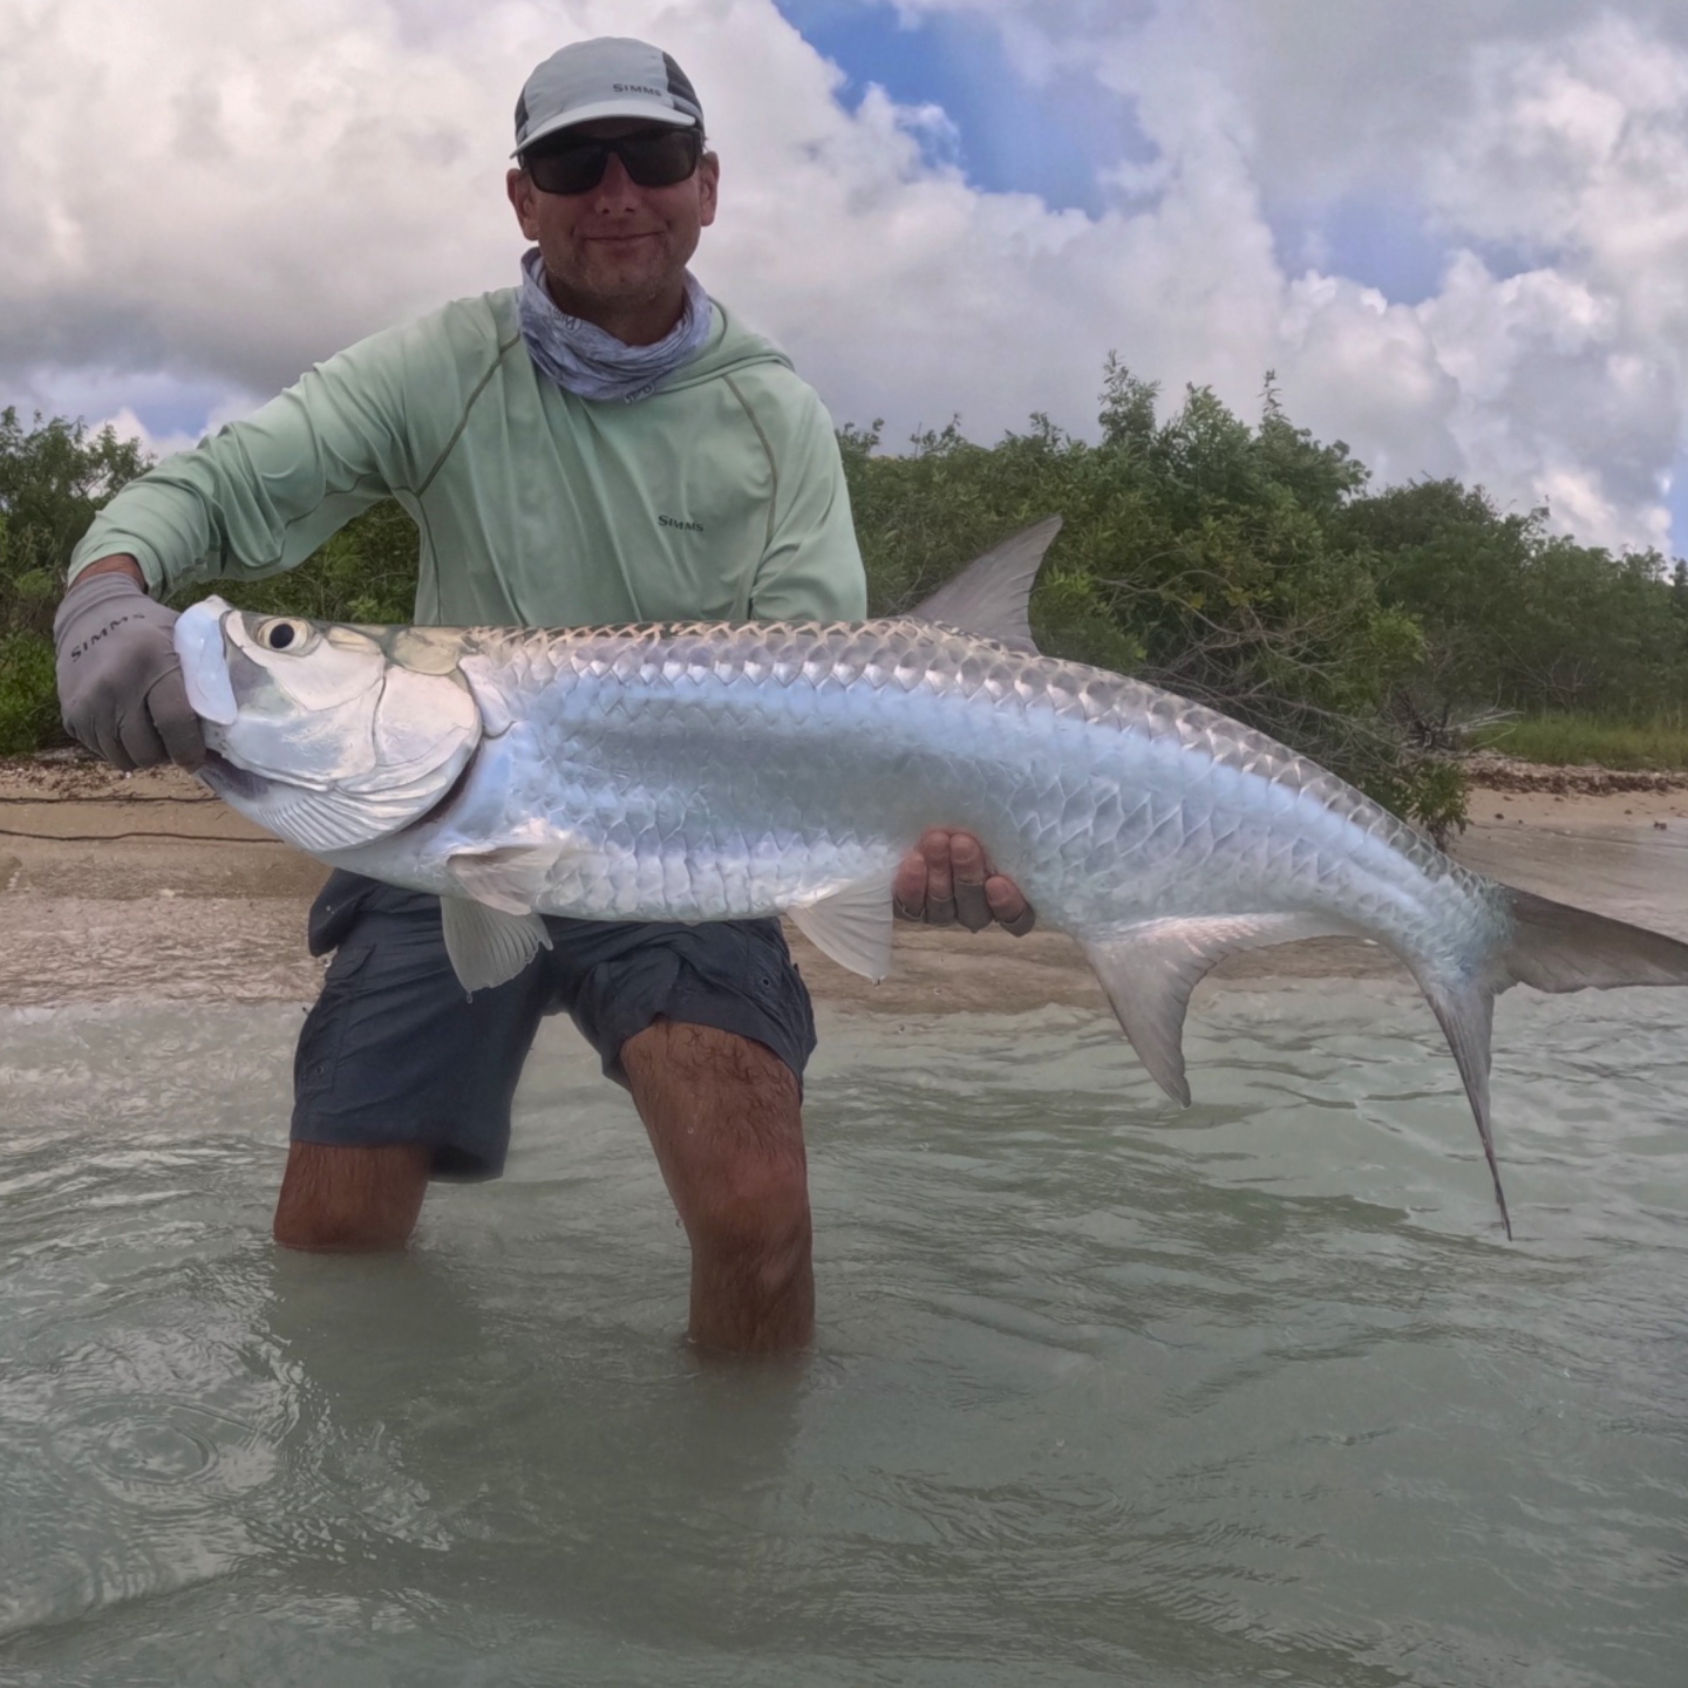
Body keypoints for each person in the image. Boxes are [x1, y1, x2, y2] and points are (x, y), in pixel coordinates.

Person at [53, 37, 1034, 1354]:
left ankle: (734, 1539)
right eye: (574, 161)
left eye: (655, 156)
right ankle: (368, 1530)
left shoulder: (771, 414)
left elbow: (821, 679)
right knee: (334, 1227)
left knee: (759, 1223)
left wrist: (890, 832)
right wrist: (109, 590)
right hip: (435, 828)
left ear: (708, 187)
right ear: (524, 198)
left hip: (686, 839)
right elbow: (217, 488)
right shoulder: (440, 368)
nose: (616, 188)